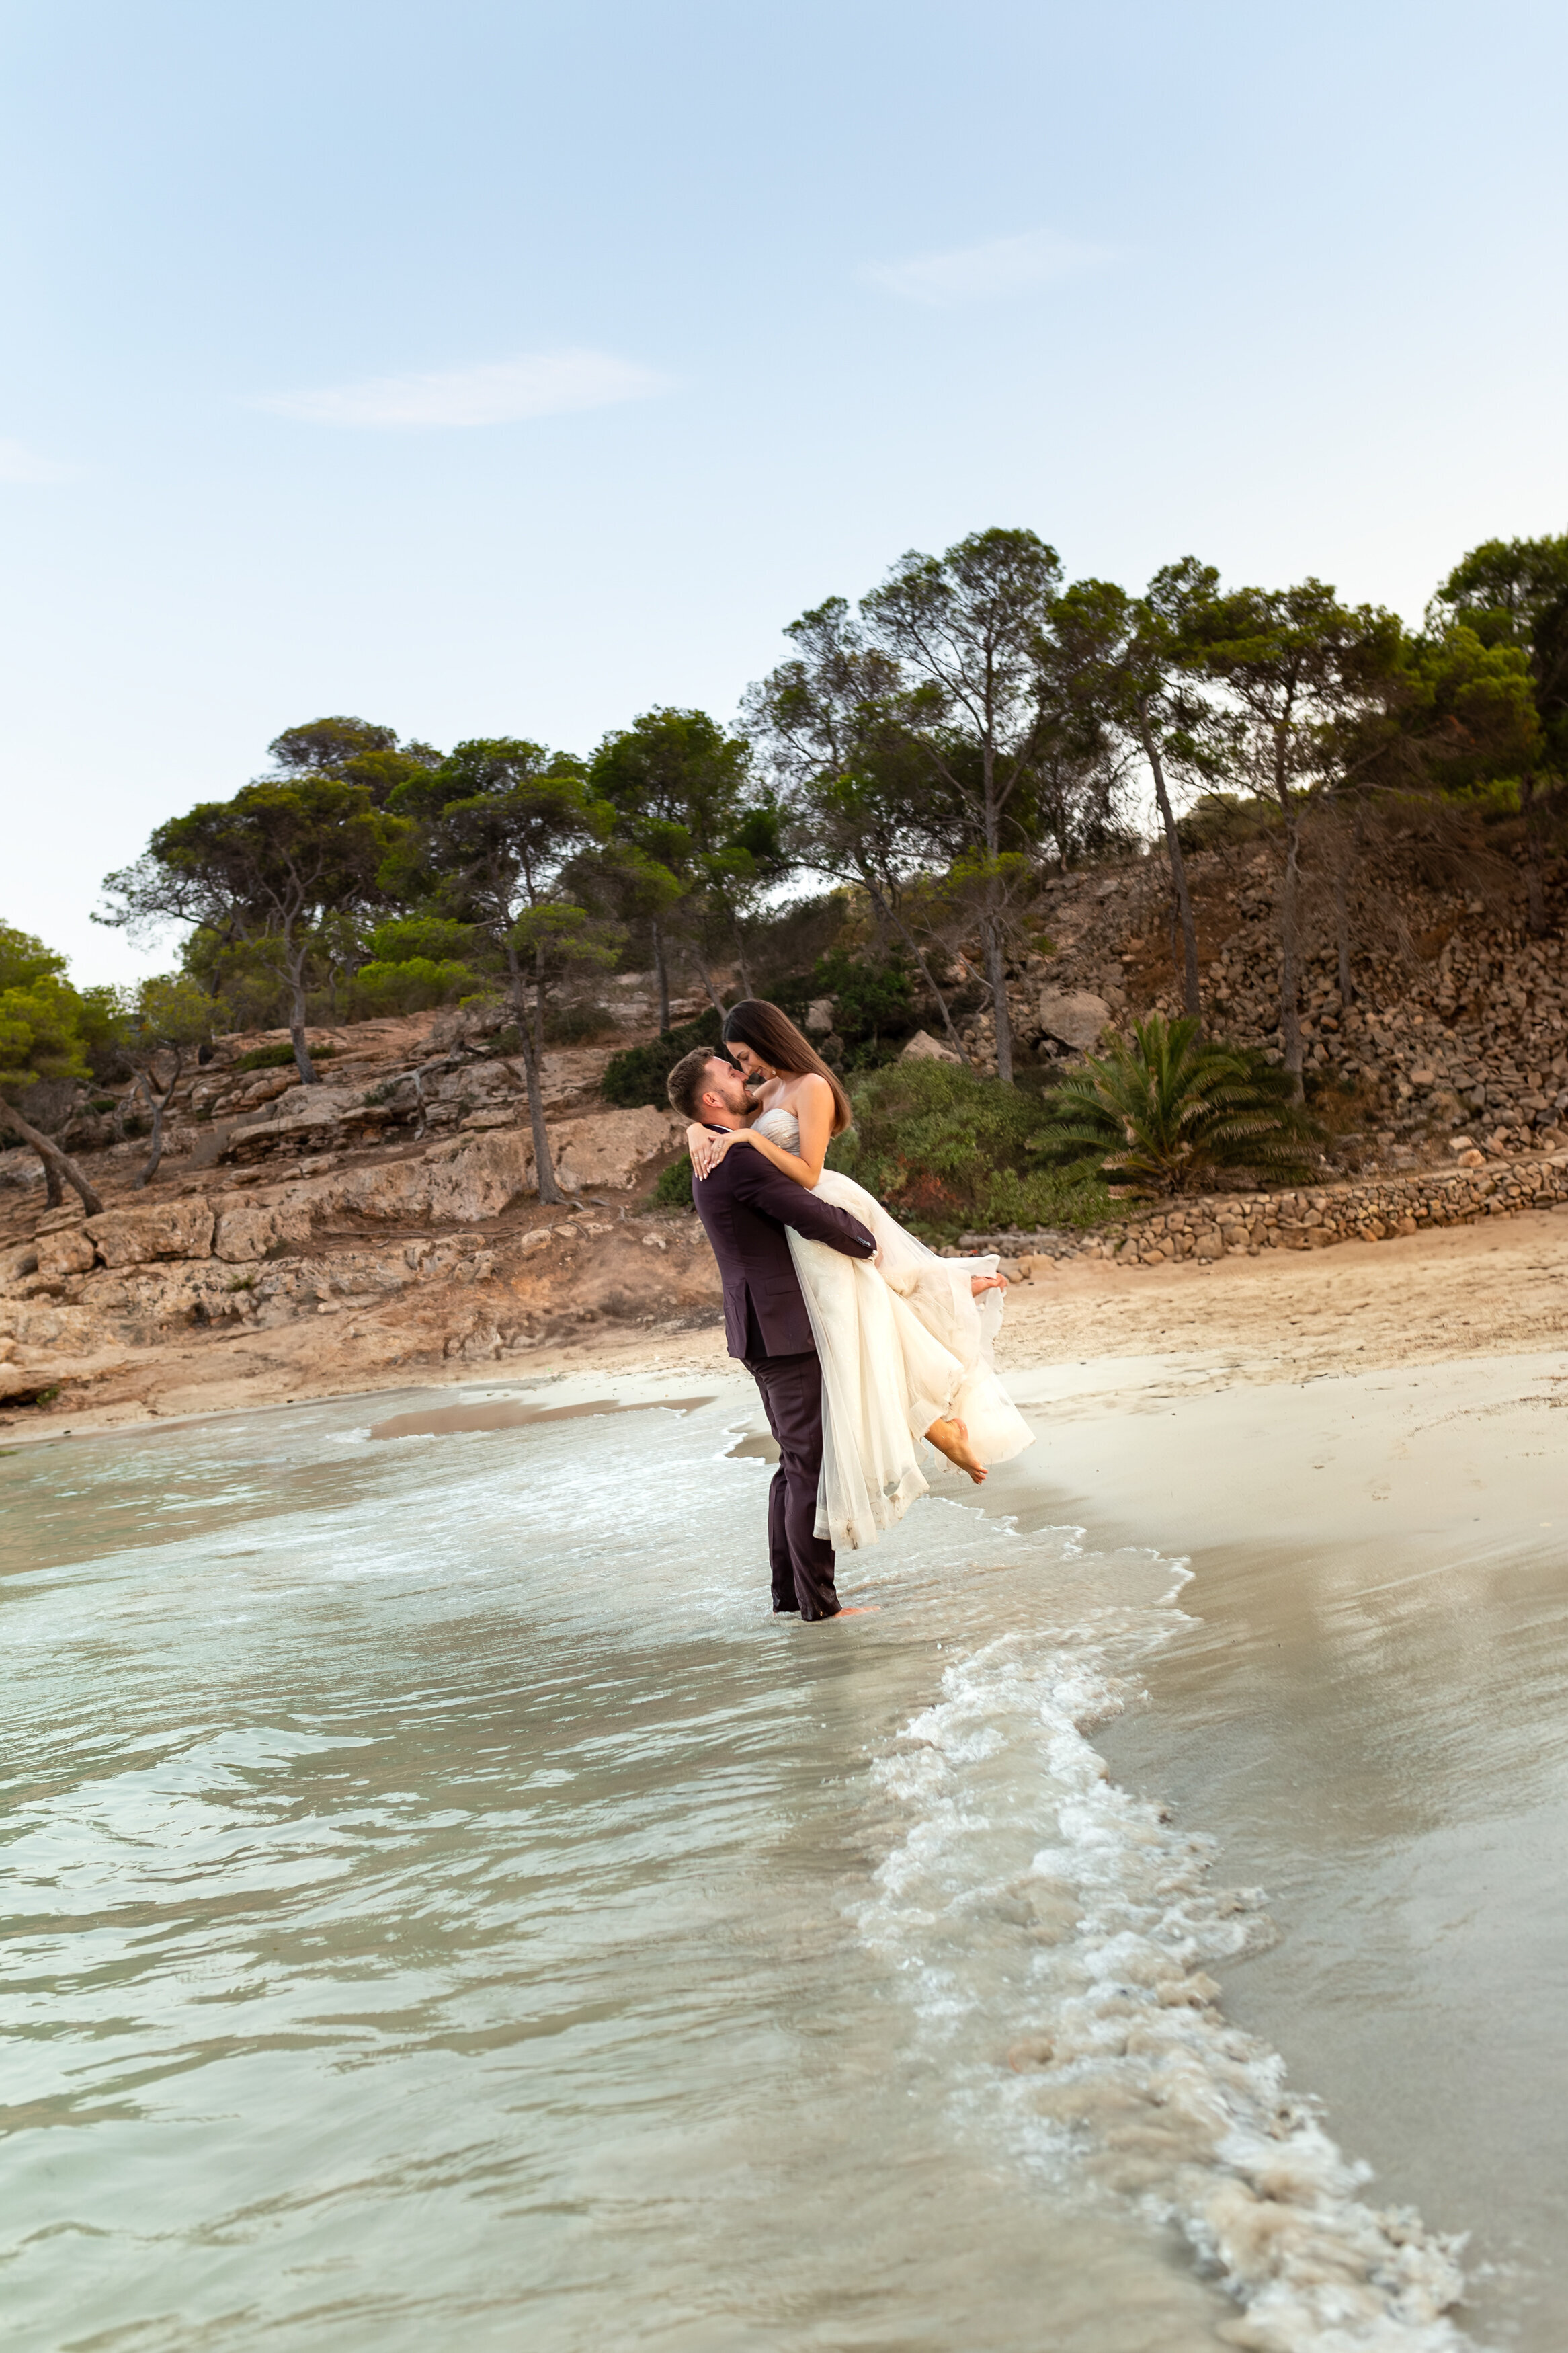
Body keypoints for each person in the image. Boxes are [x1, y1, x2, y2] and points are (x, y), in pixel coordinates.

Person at [680, 1000, 1034, 1555]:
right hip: (803, 1224)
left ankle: (945, 1340)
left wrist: (749, 1140)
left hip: (823, 1202)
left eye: (744, 1056)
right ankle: (939, 1412)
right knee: (862, 1331)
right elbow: (717, 1113)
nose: (744, 1069)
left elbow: (808, 1171)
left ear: (766, 1039)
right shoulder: (767, 1093)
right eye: (735, 1063)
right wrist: (693, 1131)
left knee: (863, 1316)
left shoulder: (811, 1087)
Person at [666, 1044, 880, 1623]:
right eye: (730, 1073)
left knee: (793, 1463)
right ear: (712, 1099)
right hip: (781, 1331)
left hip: (760, 1327)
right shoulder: (732, 1158)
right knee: (808, 1463)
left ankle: (790, 1596)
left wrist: (693, 1126)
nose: (743, 1077)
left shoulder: (717, 1146)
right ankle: (820, 1606)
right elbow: (804, 1212)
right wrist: (867, 1240)